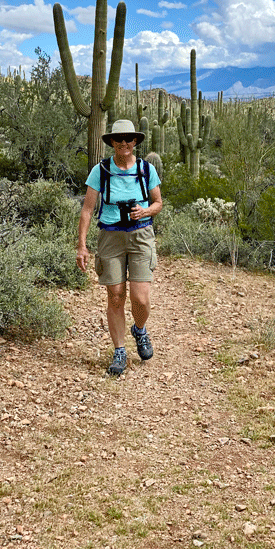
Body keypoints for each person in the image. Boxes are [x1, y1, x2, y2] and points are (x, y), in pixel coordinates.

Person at [76, 120, 163, 375]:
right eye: (118, 139)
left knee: (140, 298)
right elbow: (87, 210)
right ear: (111, 142)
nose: (124, 143)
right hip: (111, 236)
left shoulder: (146, 169)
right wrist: (82, 246)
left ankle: (139, 328)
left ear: (135, 141)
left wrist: (144, 210)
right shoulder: (101, 170)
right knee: (115, 295)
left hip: (141, 234)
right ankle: (119, 350)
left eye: (128, 139)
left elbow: (158, 202)